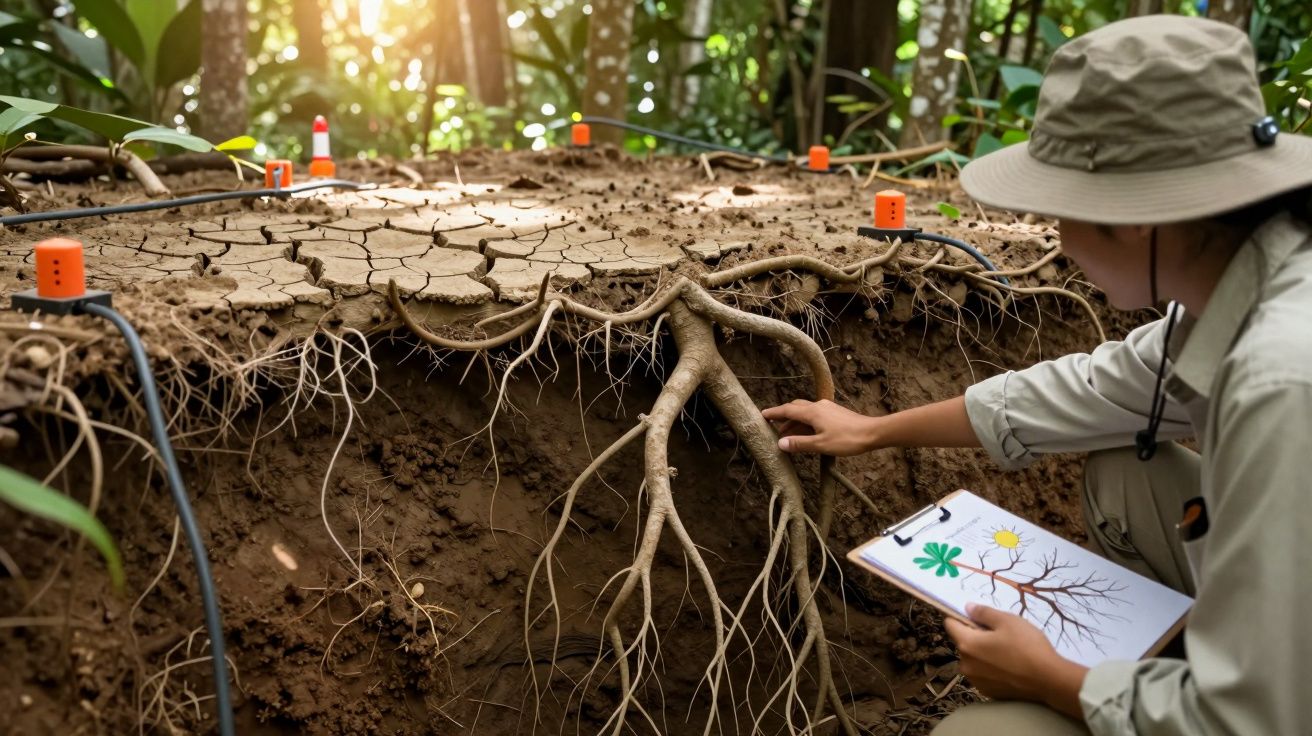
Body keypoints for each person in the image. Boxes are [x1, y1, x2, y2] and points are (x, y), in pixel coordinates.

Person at [762, 15, 1312, 736]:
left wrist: (1055, 681)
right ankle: (1183, 658)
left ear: (1138, 218)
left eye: (1063, 212)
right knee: (1126, 471)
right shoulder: (1242, 286)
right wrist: (872, 430)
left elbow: (1266, 719)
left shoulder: (1281, 382)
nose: (1057, 237)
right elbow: (1083, 390)